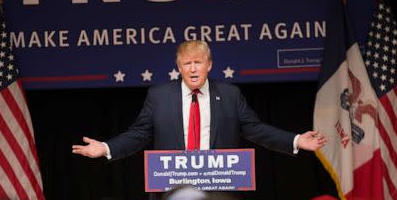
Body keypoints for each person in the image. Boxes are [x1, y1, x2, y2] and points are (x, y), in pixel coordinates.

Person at [71, 40, 327, 160]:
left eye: (198, 63)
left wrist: (295, 140)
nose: (193, 69)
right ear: (179, 67)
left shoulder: (229, 95)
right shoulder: (159, 96)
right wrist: (105, 147)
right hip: (173, 190)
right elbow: (139, 134)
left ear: (209, 65)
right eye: (187, 64)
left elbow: (255, 129)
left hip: (220, 192)